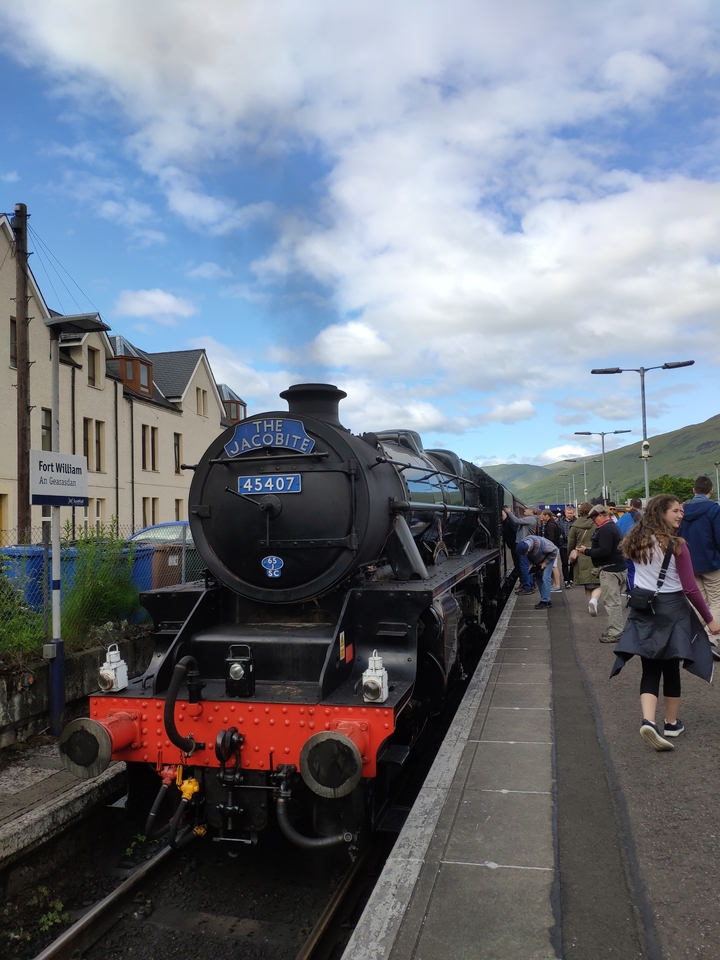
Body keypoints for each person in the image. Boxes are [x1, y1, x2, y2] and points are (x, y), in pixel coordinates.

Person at [610, 495, 720, 751]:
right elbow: (691, 589)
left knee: (649, 667)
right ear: (660, 513)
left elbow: (633, 574)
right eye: (675, 511)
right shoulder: (677, 545)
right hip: (672, 610)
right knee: (670, 667)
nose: (680, 515)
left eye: (681, 511)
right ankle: (671, 723)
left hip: (644, 608)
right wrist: (709, 619)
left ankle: (648, 721)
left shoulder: (636, 541)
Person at [575, 504, 626, 643]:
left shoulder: (605, 529)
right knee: (613, 601)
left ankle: (615, 633)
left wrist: (586, 551)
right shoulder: (613, 527)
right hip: (618, 567)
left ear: (601, 515)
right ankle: (613, 630)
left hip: (610, 569)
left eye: (593, 518)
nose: (592, 521)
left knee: (612, 603)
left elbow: (604, 551)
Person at [679, 476, 720, 636]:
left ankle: (691, 636)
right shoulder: (714, 509)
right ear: (711, 491)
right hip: (712, 562)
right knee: (717, 602)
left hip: (689, 563)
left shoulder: (681, 509)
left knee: (698, 603)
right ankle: (709, 639)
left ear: (693, 490)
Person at [567, 503, 601, 612]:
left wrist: (570, 555)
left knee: (587, 583)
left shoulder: (575, 525)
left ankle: (590, 603)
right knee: (599, 582)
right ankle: (594, 601)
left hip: (581, 555)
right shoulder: (596, 523)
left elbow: (570, 543)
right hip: (596, 554)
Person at [514, 534, 559, 610]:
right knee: (538, 577)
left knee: (546, 577)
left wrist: (545, 562)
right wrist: (531, 563)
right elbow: (529, 555)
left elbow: (554, 550)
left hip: (549, 557)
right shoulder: (525, 544)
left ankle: (545, 601)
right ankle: (545, 599)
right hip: (539, 559)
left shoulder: (542, 544)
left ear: (528, 549)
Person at [502, 507, 538, 594]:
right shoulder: (530, 519)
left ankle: (528, 587)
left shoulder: (531, 519)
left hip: (524, 545)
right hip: (525, 544)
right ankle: (529, 585)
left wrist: (509, 512)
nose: (524, 510)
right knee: (525, 566)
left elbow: (516, 521)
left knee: (524, 566)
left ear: (531, 510)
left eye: (526, 509)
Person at [617, 497, 643, 589]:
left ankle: (632, 591)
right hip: (642, 548)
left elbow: (618, 531)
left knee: (630, 572)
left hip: (628, 548)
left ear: (631, 506)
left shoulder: (624, 517)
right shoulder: (644, 517)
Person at [539, 509, 563, 591]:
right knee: (553, 566)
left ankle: (557, 585)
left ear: (547, 516)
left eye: (542, 515)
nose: (541, 517)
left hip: (553, 548)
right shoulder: (552, 523)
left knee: (554, 566)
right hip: (554, 547)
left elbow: (551, 538)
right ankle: (555, 584)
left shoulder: (550, 525)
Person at [557, 504, 576, 587]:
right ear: (565, 513)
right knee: (564, 563)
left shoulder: (576, 522)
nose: (570, 515)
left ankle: (571, 579)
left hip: (573, 545)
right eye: (568, 513)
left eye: (571, 513)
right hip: (563, 545)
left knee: (572, 563)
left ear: (573, 513)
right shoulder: (560, 522)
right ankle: (566, 580)